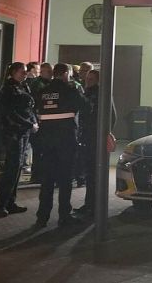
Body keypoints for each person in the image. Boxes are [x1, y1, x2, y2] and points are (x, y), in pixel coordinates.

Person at [34, 63, 87, 227]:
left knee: (47, 180)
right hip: (66, 141)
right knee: (65, 180)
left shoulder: (43, 92)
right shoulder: (70, 90)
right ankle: (64, 215)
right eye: (69, 74)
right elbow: (86, 106)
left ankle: (42, 217)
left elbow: (35, 109)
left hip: (46, 142)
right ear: (65, 73)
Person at [0, 62, 37, 218]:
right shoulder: (8, 90)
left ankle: (10, 203)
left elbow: (29, 108)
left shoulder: (23, 87)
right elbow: (9, 113)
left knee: (17, 168)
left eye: (25, 72)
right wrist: (29, 123)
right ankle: (0, 205)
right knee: (11, 169)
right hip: (13, 133)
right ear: (13, 72)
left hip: (23, 132)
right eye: (21, 72)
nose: (24, 74)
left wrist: (33, 121)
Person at [75, 69, 116, 217]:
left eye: (91, 79)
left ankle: (93, 207)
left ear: (98, 80)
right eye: (87, 79)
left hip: (94, 140)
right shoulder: (87, 93)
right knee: (90, 174)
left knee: (94, 174)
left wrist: (103, 133)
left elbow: (112, 115)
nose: (88, 81)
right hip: (86, 138)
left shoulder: (100, 94)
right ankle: (89, 205)